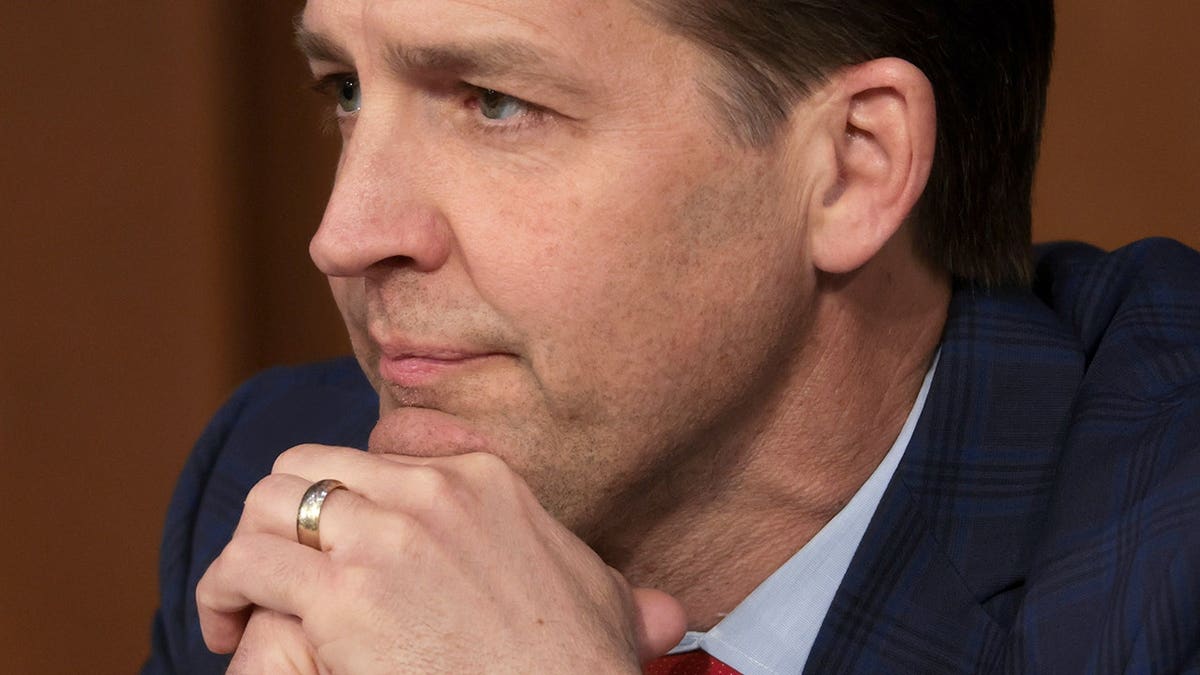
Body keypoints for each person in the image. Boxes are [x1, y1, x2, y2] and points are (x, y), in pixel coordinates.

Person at [144, 0, 1200, 673]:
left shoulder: (1167, 547)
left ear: (852, 167)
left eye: (496, 103)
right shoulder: (286, 491)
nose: (342, 233)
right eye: (345, 90)